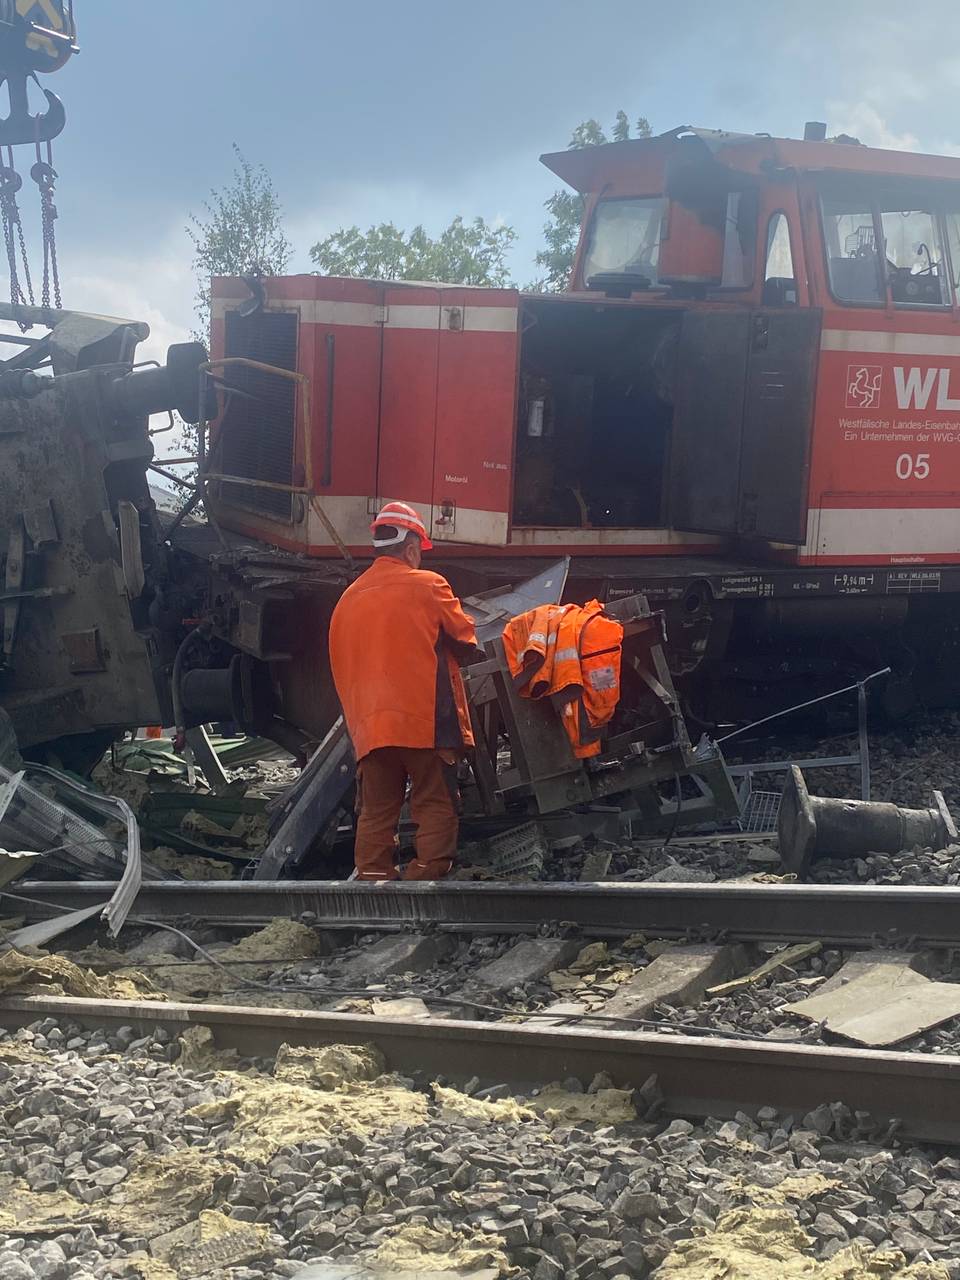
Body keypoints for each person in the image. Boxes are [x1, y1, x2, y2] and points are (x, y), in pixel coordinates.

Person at [328, 501, 479, 881]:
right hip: (425, 724)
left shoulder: (346, 601)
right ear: (412, 548)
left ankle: (374, 880)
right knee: (435, 802)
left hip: (370, 731)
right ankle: (424, 878)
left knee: (376, 811)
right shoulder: (429, 585)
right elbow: (466, 639)